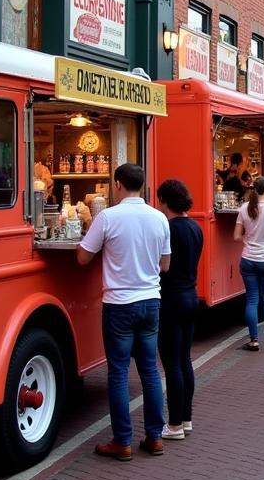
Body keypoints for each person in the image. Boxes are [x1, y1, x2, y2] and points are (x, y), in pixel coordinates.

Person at [78, 163, 171, 461]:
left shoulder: (107, 217)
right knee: (150, 371)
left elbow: (82, 257)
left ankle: (123, 441)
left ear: (118, 184)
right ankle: (155, 437)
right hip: (151, 301)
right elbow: (165, 265)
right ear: (142, 185)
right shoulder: (159, 218)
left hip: (119, 304)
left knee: (118, 372)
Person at [156, 178, 204, 441]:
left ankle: (174, 423)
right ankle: (186, 418)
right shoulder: (196, 228)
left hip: (171, 299)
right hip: (190, 295)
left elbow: (162, 266)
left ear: (164, 200)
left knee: (171, 362)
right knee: (185, 360)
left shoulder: (168, 229)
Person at [234, 176, 264, 351]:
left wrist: (248, 241)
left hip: (248, 259)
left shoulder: (243, 208)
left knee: (252, 300)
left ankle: (253, 340)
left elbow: (236, 236)